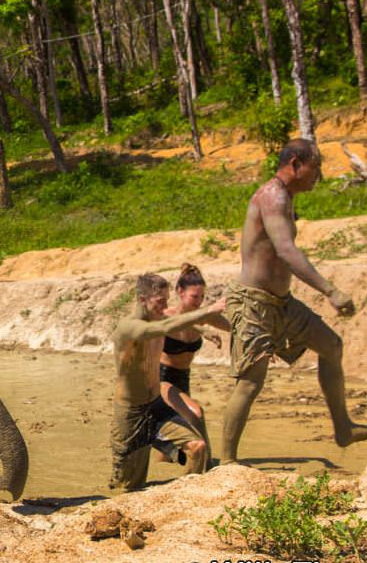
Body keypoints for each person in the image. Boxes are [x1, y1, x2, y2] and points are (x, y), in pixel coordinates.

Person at [221, 138, 365, 463]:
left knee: (331, 345)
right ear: (296, 164)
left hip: (281, 304)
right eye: (317, 168)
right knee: (250, 382)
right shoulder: (272, 196)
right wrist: (330, 290)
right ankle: (226, 463)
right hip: (253, 303)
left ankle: (343, 428)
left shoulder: (285, 197)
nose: (320, 175)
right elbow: (286, 251)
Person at [109, 273, 226, 492]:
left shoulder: (160, 317)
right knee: (129, 487)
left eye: (166, 299)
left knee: (197, 447)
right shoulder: (129, 327)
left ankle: (182, 497)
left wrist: (204, 330)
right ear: (143, 300)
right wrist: (207, 312)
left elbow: (172, 321)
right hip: (131, 414)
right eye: (159, 301)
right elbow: (161, 329)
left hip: (157, 405)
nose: (165, 306)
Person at [158, 263, 230, 462]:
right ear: (180, 292)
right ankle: (208, 465)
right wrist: (202, 329)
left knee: (167, 454)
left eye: (202, 297)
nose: (199, 302)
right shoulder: (164, 316)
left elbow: (236, 329)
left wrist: (265, 345)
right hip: (161, 378)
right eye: (194, 297)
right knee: (196, 413)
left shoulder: (205, 316)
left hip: (183, 380)